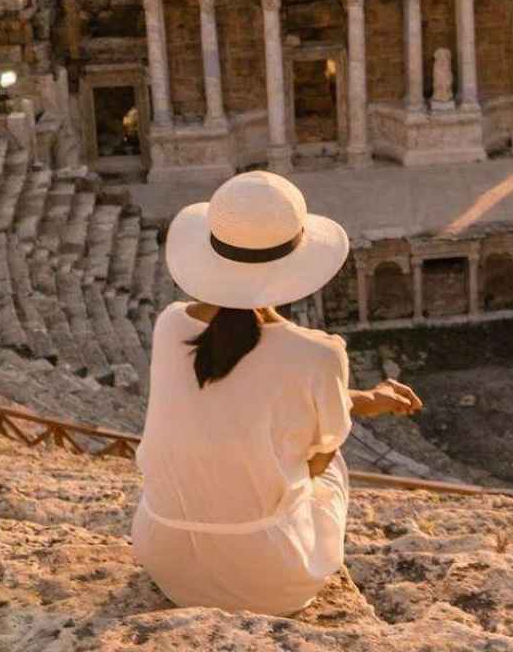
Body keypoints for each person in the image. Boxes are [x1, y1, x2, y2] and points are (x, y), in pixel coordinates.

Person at [132, 171, 422, 615]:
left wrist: (364, 397)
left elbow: (244, 395)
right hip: (268, 578)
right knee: (331, 456)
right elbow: (314, 459)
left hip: (166, 559)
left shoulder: (170, 324)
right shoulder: (319, 354)